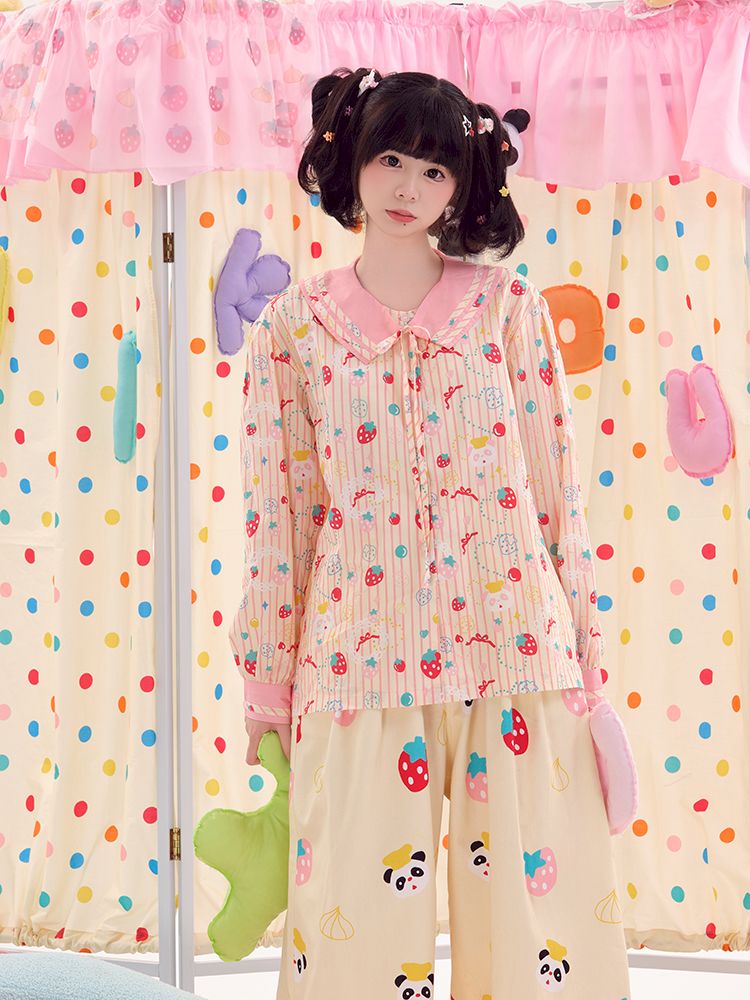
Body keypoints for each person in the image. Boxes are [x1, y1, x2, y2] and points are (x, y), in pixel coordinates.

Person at [229, 67, 633, 1000]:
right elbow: (278, 512)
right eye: (391, 159)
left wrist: (584, 649)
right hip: (358, 655)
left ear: (462, 187)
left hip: (516, 648)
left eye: (435, 170)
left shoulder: (510, 309)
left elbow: (557, 488)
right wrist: (266, 685)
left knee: (537, 933)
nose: (408, 186)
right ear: (352, 161)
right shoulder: (294, 328)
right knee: (353, 929)